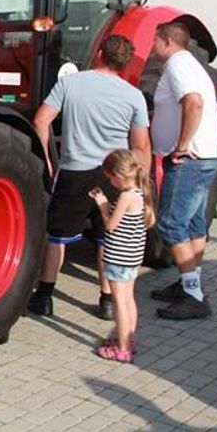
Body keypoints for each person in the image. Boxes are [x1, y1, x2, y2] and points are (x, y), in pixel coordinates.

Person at [27, 35, 151, 319]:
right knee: (106, 236)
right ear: (125, 63)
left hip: (75, 170)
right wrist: (139, 184)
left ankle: (44, 297)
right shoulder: (133, 96)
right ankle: (107, 300)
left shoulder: (70, 83)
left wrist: (45, 158)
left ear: (98, 53)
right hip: (116, 175)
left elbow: (41, 120)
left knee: (57, 236)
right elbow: (141, 146)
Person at [148, 21, 217, 320]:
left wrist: (181, 145)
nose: (152, 46)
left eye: (154, 40)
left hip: (190, 159)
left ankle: (193, 295)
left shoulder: (178, 66)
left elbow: (194, 103)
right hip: (205, 157)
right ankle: (188, 284)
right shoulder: (190, 65)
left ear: (167, 42)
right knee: (193, 225)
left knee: (170, 224)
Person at [89, 149, 154, 363]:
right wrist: (107, 201)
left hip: (118, 257)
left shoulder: (126, 197)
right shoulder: (139, 193)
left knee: (119, 303)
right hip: (132, 257)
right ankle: (129, 340)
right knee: (128, 299)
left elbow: (110, 225)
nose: (110, 182)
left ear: (118, 175)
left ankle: (122, 348)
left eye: (110, 178)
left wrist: (101, 205)